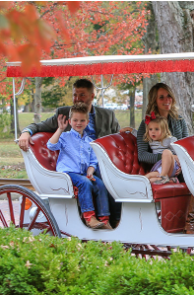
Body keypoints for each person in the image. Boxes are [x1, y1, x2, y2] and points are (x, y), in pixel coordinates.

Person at [17, 78, 129, 227]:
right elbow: (40, 126)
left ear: (92, 96)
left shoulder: (107, 115)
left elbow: (116, 138)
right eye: (75, 95)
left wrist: (123, 134)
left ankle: (111, 219)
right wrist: (26, 132)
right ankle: (114, 221)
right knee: (106, 177)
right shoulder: (64, 114)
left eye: (81, 95)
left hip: (97, 161)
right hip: (74, 166)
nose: (77, 99)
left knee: (114, 175)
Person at [135, 83, 194, 233]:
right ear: (154, 101)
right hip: (161, 166)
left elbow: (185, 146)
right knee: (168, 158)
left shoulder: (179, 120)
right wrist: (166, 158)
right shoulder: (147, 124)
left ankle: (191, 222)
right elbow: (142, 155)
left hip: (180, 166)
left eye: (168, 96)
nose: (166, 100)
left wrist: (179, 159)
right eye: (161, 97)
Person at [47, 103, 112, 230]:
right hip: (68, 173)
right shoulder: (65, 137)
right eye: (75, 120)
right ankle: (89, 217)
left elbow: (93, 161)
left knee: (100, 183)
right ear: (70, 121)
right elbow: (51, 145)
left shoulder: (89, 141)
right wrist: (60, 129)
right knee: (84, 183)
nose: (79, 123)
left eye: (82, 120)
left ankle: (105, 219)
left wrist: (90, 171)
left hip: (82, 173)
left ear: (87, 122)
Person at [142, 116, 180, 184]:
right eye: (150, 129)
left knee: (166, 152)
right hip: (160, 167)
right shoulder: (151, 140)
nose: (153, 132)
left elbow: (180, 152)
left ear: (163, 130)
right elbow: (136, 135)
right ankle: (171, 180)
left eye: (156, 129)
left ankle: (163, 176)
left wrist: (180, 165)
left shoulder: (169, 140)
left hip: (171, 165)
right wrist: (131, 130)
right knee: (147, 178)